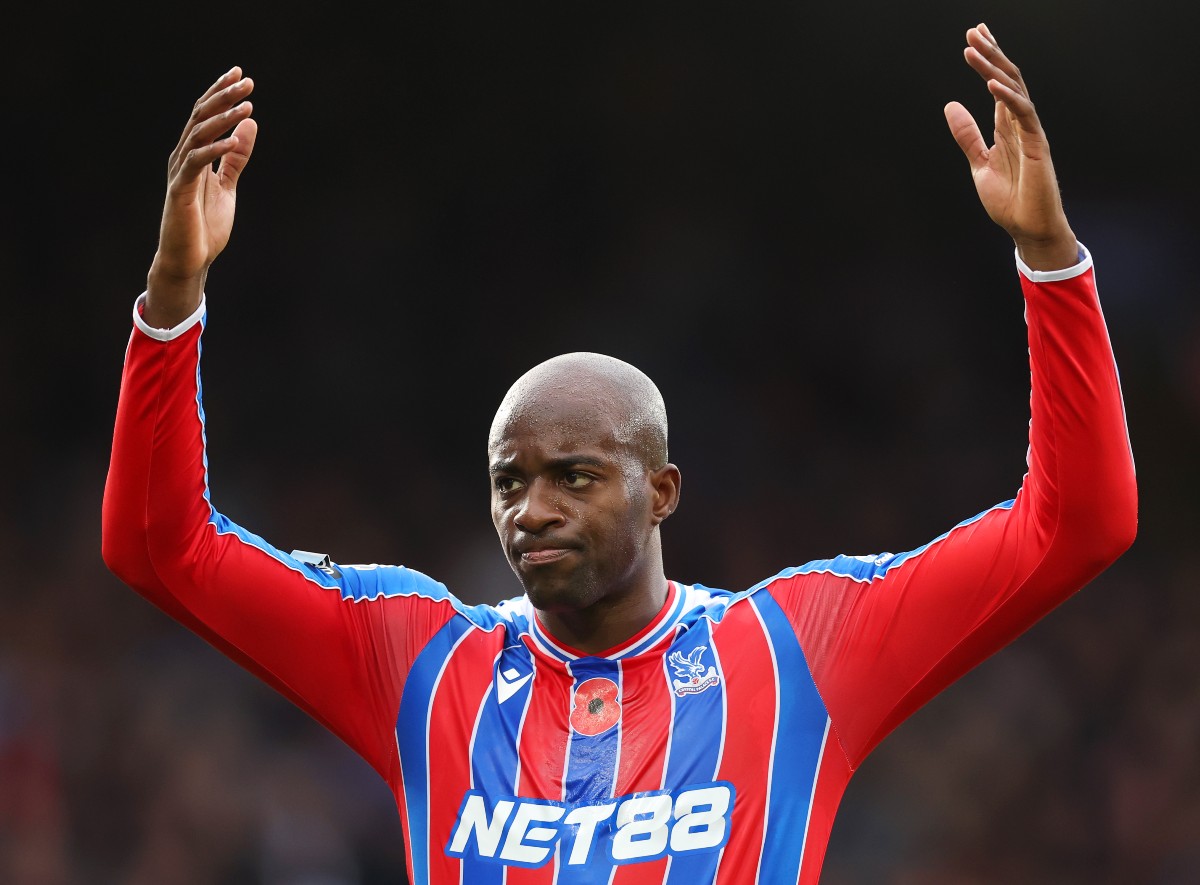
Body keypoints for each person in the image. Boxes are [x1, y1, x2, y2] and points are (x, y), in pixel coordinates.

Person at [102, 22, 1136, 884]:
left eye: (574, 477)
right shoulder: (418, 661)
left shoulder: (798, 650)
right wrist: (174, 297)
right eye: (509, 482)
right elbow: (162, 547)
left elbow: (1077, 524)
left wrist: (1050, 262)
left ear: (662, 492)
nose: (531, 510)